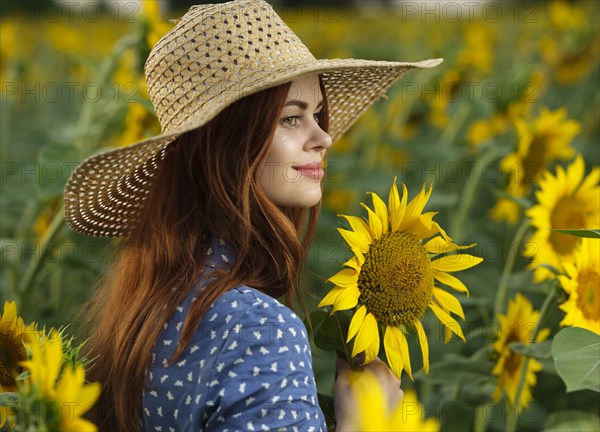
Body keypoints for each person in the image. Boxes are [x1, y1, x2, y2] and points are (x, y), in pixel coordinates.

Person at [64, 0, 441, 430]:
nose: (323, 137)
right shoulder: (260, 330)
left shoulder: (145, 308)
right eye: (291, 118)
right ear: (227, 146)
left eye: (317, 115)